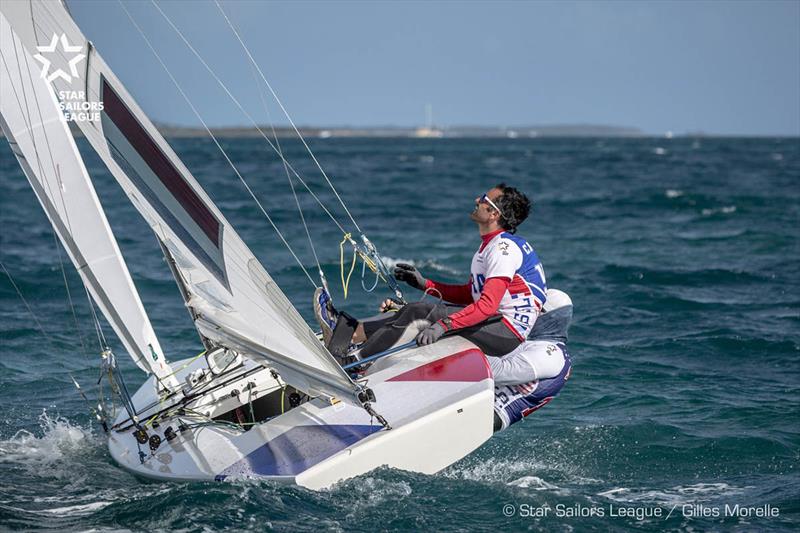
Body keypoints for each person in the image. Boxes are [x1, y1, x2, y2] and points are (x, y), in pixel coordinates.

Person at [315, 183, 547, 361]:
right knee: (411, 309)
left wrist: (444, 324)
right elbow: (470, 294)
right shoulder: (490, 245)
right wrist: (424, 283)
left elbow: (485, 306)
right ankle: (351, 333)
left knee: (419, 312)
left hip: (506, 331)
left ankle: (354, 362)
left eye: (484, 199)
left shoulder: (502, 250)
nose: (477, 199)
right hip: (496, 321)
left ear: (494, 214)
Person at [490, 288, 573, 432]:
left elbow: (496, 372)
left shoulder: (551, 354)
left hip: (491, 412)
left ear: (549, 317)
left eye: (533, 308)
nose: (527, 312)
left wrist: (467, 337)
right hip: (477, 398)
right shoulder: (536, 342)